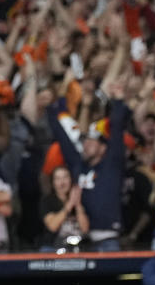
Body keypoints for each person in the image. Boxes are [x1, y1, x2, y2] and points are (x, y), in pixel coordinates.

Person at [46, 88, 130, 251]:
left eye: (92, 142)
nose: (86, 145)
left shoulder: (112, 165)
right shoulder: (78, 165)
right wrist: (51, 109)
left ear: (103, 148)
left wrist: (118, 101)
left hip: (108, 238)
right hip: (81, 240)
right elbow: (63, 139)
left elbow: (117, 130)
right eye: (85, 141)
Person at [40, 166, 90, 250]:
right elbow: (52, 226)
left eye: (65, 177)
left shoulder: (81, 199)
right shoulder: (47, 201)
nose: (62, 182)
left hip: (77, 247)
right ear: (53, 182)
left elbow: (85, 229)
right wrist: (69, 204)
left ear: (71, 180)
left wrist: (77, 204)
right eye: (58, 178)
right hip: (53, 247)